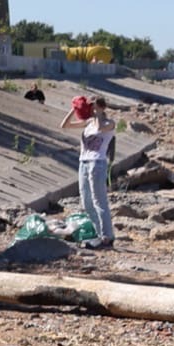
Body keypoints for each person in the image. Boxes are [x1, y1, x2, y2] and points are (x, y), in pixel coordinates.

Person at [59, 95, 116, 249]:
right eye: (91, 106)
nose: (92, 109)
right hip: (83, 163)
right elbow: (65, 125)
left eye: (94, 106)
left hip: (97, 163)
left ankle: (107, 236)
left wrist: (98, 112)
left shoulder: (109, 123)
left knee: (99, 201)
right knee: (86, 201)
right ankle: (99, 234)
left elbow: (99, 129)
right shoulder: (89, 122)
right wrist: (76, 108)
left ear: (101, 107)